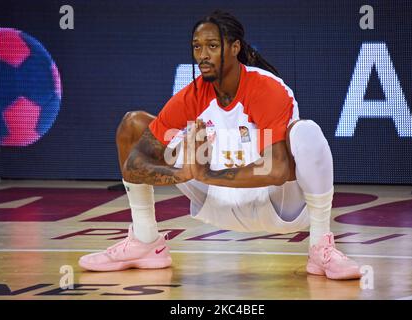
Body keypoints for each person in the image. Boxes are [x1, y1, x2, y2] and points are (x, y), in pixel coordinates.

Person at [79, 10, 361, 280]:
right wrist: (183, 174)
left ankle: (321, 247)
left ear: (235, 47)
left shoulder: (266, 89)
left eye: (212, 45)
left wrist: (207, 174)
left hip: (276, 206)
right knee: (134, 125)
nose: (202, 55)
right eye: (197, 46)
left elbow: (276, 170)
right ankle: (145, 241)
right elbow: (133, 165)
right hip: (215, 201)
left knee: (306, 132)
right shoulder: (193, 96)